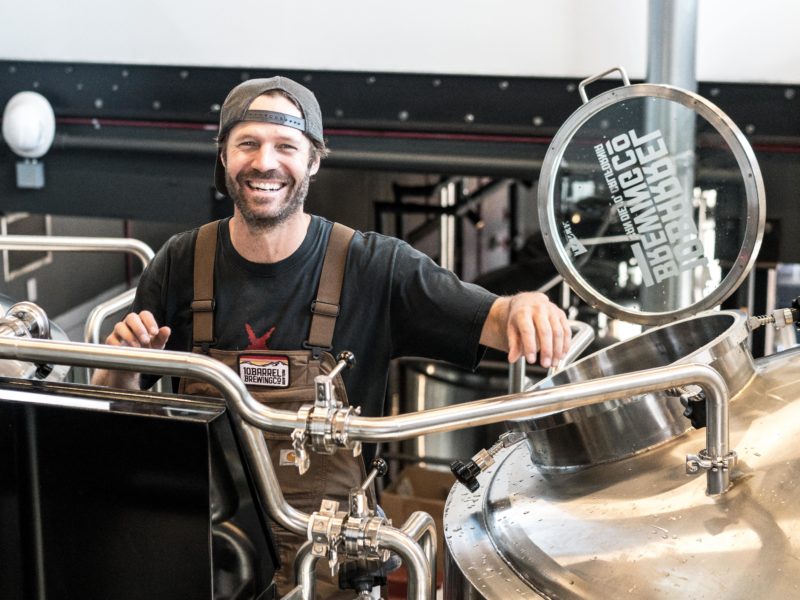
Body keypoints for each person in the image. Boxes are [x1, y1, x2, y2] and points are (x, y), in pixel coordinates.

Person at [91, 76, 571, 598]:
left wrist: (528, 305)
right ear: (224, 157)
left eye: (285, 147)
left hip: (335, 558)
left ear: (314, 161)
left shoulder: (374, 266)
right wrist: (120, 364)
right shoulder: (179, 264)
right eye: (247, 144)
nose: (265, 163)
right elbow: (117, 413)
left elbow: (497, 319)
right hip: (211, 553)